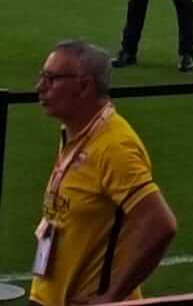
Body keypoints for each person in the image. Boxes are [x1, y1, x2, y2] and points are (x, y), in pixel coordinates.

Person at [31, 38, 176, 306]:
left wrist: (112, 297)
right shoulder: (76, 132)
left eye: (52, 79)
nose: (40, 87)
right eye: (42, 77)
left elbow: (160, 224)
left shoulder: (115, 147)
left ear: (84, 85)